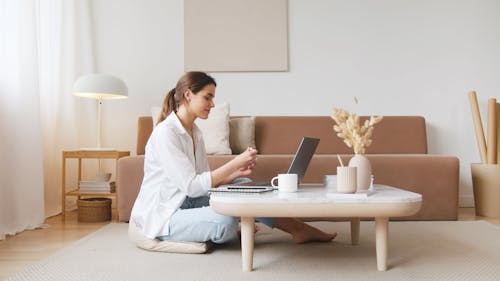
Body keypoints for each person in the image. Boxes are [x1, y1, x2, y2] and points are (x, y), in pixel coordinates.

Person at [130, 71, 337, 245]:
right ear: (188, 95)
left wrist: (234, 175)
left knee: (245, 186)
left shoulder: (195, 133)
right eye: (207, 97)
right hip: (165, 214)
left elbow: (202, 180)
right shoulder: (166, 133)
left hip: (188, 201)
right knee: (226, 222)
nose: (212, 104)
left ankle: (298, 229)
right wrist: (234, 163)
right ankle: (225, 228)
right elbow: (192, 186)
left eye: (212, 98)